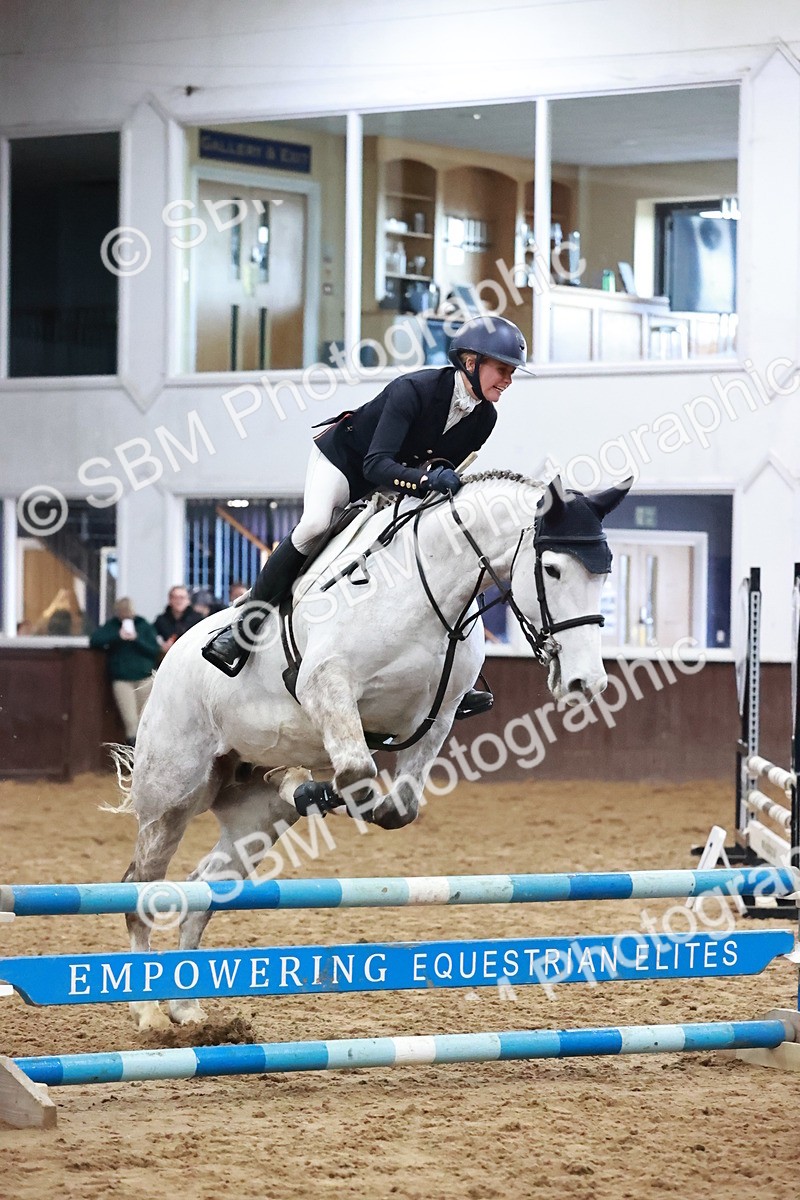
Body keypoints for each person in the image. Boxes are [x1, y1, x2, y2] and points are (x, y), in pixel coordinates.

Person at [202, 315, 528, 718]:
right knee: (317, 525)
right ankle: (243, 629)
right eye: (502, 370)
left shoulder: (484, 418)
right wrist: (428, 479)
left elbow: (432, 473)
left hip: (395, 479)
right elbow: (375, 465)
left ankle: (448, 675)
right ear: (470, 362)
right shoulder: (413, 390)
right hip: (347, 463)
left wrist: (434, 484)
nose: (508, 381)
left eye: (512, 373)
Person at [90, 598, 160, 746]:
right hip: (122, 679)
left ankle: (146, 752)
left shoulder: (144, 625)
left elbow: (153, 649)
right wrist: (117, 636)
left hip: (145, 678)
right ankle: (133, 754)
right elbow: (95, 640)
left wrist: (136, 639)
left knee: (145, 719)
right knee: (130, 720)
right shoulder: (112, 626)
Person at [154, 585, 203, 652]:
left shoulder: (198, 620)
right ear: (170, 600)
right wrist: (161, 646)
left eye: (182, 597)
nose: (179, 601)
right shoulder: (161, 620)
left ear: (188, 600)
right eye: (175, 597)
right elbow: (152, 638)